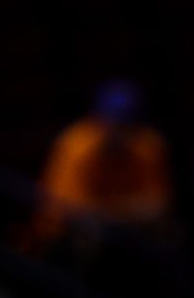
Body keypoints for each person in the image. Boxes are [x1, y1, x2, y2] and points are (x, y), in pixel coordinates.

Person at [37, 81, 174, 236]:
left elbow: (158, 207)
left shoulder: (148, 147)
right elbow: (65, 211)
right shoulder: (75, 146)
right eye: (111, 122)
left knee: (168, 234)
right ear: (96, 120)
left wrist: (107, 212)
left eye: (126, 125)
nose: (118, 132)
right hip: (68, 235)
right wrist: (128, 209)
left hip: (130, 231)